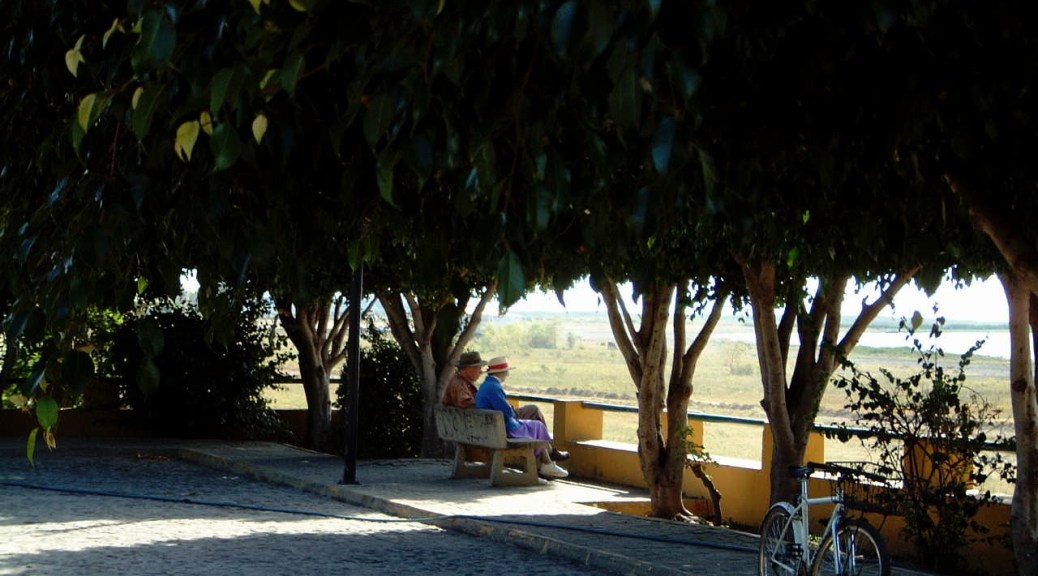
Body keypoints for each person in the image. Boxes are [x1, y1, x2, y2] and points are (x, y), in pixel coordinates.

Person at [441, 351, 570, 462]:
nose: (481, 372)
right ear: (468, 368)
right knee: (533, 410)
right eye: (478, 368)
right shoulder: (460, 385)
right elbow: (467, 404)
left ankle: (546, 454)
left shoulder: (463, 382)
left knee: (530, 414)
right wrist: (491, 405)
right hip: (489, 423)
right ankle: (547, 453)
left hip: (479, 425)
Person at [475, 356, 569, 479]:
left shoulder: (485, 385)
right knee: (537, 425)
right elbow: (506, 411)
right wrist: (514, 414)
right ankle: (547, 461)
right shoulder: (494, 387)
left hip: (490, 429)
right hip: (503, 430)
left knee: (535, 426)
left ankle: (548, 461)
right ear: (503, 372)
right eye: (507, 371)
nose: (507, 374)